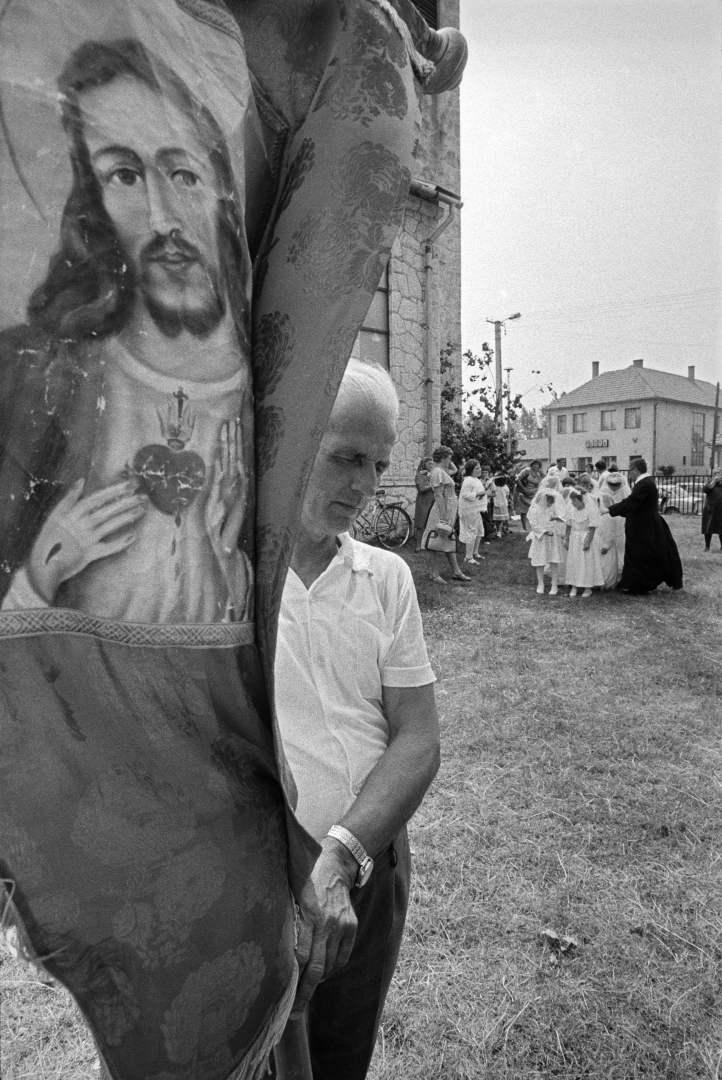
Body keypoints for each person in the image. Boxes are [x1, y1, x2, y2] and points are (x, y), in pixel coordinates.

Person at [273, 359, 440, 1080]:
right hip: (261, 876)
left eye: (378, 464)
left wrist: (343, 858)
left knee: (340, 1054)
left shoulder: (386, 577)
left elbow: (418, 737)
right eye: (345, 457)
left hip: (367, 866)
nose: (365, 485)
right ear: (291, 440)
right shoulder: (227, 579)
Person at [604, 458, 683, 593]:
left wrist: (609, 509)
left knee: (643, 554)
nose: (629, 473)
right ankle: (635, 583)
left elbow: (632, 502)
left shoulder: (644, 483)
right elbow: (636, 505)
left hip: (644, 526)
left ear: (635, 470)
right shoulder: (646, 482)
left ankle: (640, 584)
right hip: (644, 523)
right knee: (641, 554)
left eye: (630, 470)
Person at [421, 446, 470, 583]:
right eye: (449, 458)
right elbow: (438, 495)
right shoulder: (437, 472)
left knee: (447, 537)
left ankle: (456, 571)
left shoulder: (442, 471)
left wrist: (446, 457)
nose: (450, 460)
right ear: (443, 458)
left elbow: (454, 470)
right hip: (442, 509)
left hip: (449, 508)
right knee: (434, 537)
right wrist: (443, 515)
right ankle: (434, 574)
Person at [526, 478, 566, 595]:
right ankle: (540, 583)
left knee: (554, 560)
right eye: (548, 502)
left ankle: (554, 585)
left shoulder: (552, 508)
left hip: (553, 537)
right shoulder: (534, 509)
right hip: (541, 538)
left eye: (551, 503)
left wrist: (557, 518)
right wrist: (544, 531)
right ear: (543, 500)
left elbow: (562, 518)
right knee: (540, 561)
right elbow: (534, 525)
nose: (550, 505)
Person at [563, 486, 604, 597]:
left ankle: (588, 588)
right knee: (574, 562)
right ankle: (574, 586)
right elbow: (568, 526)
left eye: (574, 500)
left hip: (585, 537)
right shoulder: (571, 510)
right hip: (574, 538)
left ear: (582, 500)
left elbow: (592, 528)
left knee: (586, 562)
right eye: (571, 500)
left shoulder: (590, 510)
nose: (572, 503)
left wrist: (588, 542)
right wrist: (566, 539)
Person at [596, 471, 630, 588]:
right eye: (611, 484)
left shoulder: (625, 493)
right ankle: (607, 575)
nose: (614, 487)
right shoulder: (604, 492)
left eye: (617, 484)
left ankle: (622, 574)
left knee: (621, 546)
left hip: (621, 521)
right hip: (607, 521)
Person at [458, 459, 486, 564]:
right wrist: (479, 494)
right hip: (468, 509)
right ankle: (468, 557)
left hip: (475, 509)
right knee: (472, 531)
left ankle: (475, 552)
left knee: (479, 530)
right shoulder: (468, 480)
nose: (480, 469)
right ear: (471, 470)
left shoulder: (475, 480)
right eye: (477, 468)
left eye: (480, 467)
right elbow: (465, 494)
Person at [514, 459, 543, 532]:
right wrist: (524, 489)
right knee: (523, 510)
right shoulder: (526, 471)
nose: (536, 466)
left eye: (537, 465)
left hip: (531, 493)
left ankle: (533, 526)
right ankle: (525, 528)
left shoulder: (538, 474)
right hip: (522, 491)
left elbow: (537, 484)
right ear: (531, 464)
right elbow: (517, 479)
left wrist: (535, 490)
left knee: (533, 509)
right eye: (534, 464)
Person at [413, 457, 435, 552]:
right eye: (429, 463)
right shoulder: (419, 475)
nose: (431, 465)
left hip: (433, 500)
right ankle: (418, 545)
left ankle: (429, 544)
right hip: (423, 501)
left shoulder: (433, 474)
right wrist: (432, 485)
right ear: (424, 464)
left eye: (432, 463)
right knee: (421, 523)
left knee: (431, 523)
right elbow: (421, 488)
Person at [701, 467, 722, 551]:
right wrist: (714, 482)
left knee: (721, 528)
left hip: (721, 510)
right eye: (715, 473)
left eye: (718, 473)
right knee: (708, 528)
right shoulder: (710, 482)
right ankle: (707, 546)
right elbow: (706, 490)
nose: (716, 475)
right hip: (710, 508)